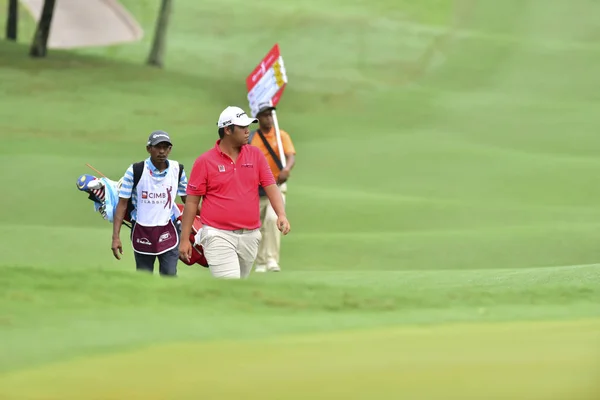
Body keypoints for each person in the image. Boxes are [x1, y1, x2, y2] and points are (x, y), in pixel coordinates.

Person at [179, 106, 291, 279]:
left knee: (238, 290)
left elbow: (270, 185)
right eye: (242, 127)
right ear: (228, 130)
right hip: (217, 235)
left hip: (250, 235)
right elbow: (192, 202)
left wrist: (281, 214)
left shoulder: (255, 155)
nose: (248, 131)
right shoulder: (205, 161)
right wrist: (185, 238)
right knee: (229, 284)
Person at [111, 130, 188, 277]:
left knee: (170, 276)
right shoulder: (135, 170)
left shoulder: (177, 170)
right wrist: (116, 237)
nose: (162, 151)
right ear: (148, 149)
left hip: (169, 230)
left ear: (170, 149)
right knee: (144, 277)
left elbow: (188, 201)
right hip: (142, 230)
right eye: (158, 147)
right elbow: (122, 204)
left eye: (166, 147)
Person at [248, 102, 296, 272]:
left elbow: (290, 156)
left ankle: (272, 260)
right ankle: (260, 262)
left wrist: (287, 169)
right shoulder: (252, 138)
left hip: (276, 185)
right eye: (265, 115)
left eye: (270, 115)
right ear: (258, 118)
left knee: (272, 219)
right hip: (257, 188)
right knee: (258, 225)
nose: (268, 118)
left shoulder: (281, 136)